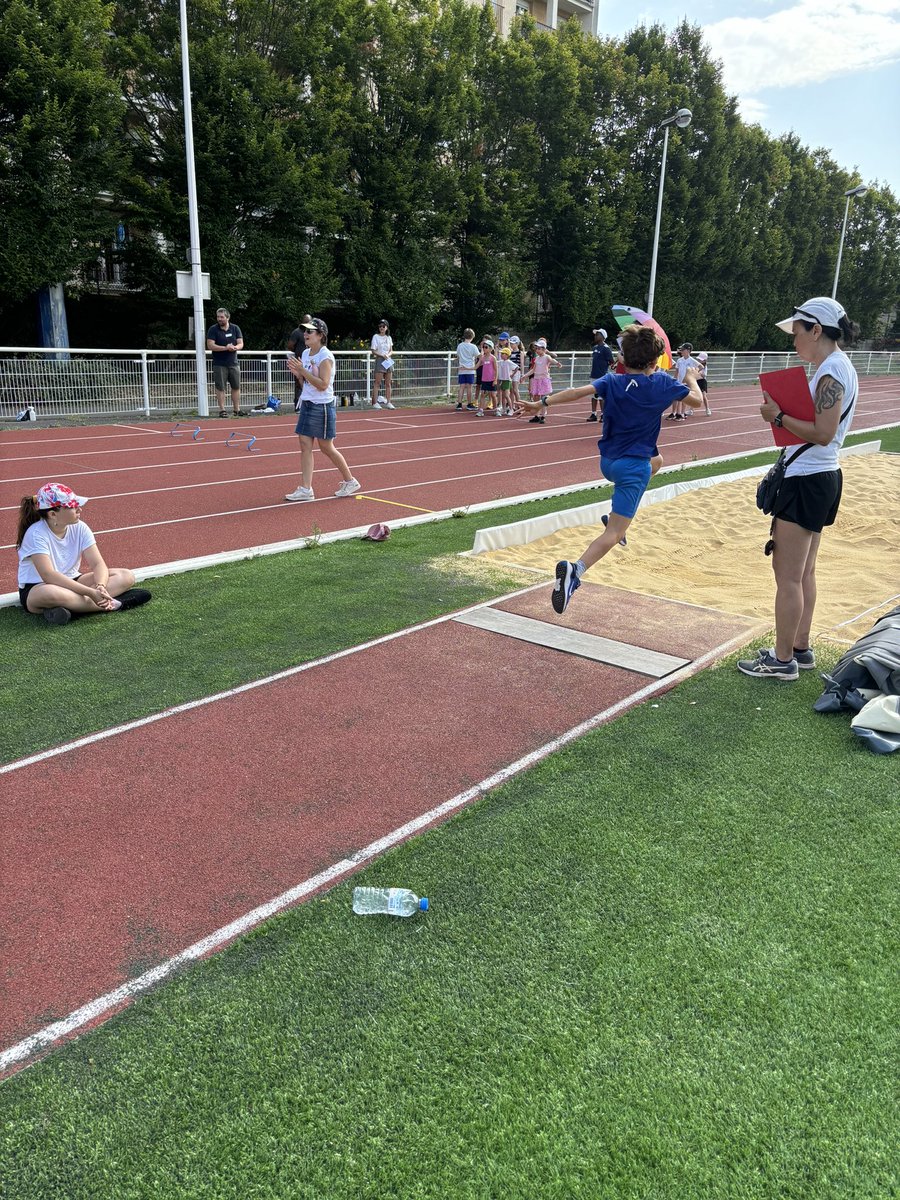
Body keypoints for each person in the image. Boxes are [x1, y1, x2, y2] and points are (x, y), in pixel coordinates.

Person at [516, 323, 701, 614]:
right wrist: (690, 376)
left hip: (609, 463)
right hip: (633, 469)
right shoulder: (664, 384)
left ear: (623, 359)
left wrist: (540, 404)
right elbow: (697, 401)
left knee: (659, 461)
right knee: (614, 534)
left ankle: (613, 516)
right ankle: (575, 571)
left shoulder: (612, 381)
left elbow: (577, 392)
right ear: (655, 362)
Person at [737, 297, 859, 681]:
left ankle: (783, 659)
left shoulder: (830, 372)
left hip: (808, 478)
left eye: (797, 332)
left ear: (816, 330)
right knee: (804, 571)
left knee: (787, 575)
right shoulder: (837, 367)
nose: (794, 341)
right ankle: (799, 648)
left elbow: (823, 434)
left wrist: (778, 416)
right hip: (821, 477)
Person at [16, 482, 151, 625]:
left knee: (126, 575)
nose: (79, 509)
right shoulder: (35, 534)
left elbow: (98, 564)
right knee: (50, 593)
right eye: (72, 506)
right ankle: (118, 603)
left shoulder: (80, 527)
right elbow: (49, 575)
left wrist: (100, 586)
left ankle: (72, 609)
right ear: (53, 514)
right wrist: (90, 592)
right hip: (39, 587)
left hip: (74, 580)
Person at [284, 318, 361, 502]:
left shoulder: (325, 357)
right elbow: (307, 384)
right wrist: (299, 375)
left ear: (320, 335)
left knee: (326, 447)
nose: (305, 334)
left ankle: (350, 480)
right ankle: (306, 488)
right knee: (304, 444)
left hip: (323, 406)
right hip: (308, 403)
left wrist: (303, 371)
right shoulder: (304, 353)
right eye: (305, 331)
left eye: (310, 332)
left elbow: (323, 384)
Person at [206, 307, 245, 417]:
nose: (219, 319)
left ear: (227, 317)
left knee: (236, 386)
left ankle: (237, 409)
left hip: (233, 362)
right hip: (219, 363)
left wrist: (235, 347)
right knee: (220, 387)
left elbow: (241, 343)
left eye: (222, 317)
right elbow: (210, 345)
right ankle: (222, 410)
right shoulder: (213, 329)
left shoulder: (235, 328)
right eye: (218, 317)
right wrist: (225, 348)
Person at [521, 338, 562, 424]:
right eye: (537, 348)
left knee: (544, 399)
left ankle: (543, 416)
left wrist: (557, 363)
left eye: (539, 348)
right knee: (536, 398)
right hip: (536, 379)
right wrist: (525, 376)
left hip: (544, 379)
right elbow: (533, 370)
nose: (537, 350)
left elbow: (552, 360)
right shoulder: (536, 359)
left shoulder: (546, 357)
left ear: (544, 349)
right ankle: (536, 415)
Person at [586, 328, 615, 422]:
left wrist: (612, 365)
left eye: (597, 334)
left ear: (602, 337)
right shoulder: (594, 348)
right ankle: (593, 414)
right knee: (593, 396)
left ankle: (603, 414)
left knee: (601, 396)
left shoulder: (606, 349)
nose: (595, 336)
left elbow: (611, 361)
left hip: (602, 375)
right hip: (593, 374)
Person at [667, 342, 700, 420]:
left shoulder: (692, 360)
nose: (681, 351)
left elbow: (700, 366)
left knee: (685, 397)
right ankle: (676, 413)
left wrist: (694, 375)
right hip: (679, 381)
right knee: (677, 398)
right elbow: (677, 371)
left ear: (688, 350)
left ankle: (682, 413)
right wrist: (674, 380)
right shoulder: (679, 360)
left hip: (687, 381)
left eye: (683, 349)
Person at [287, 314, 313, 410]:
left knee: (309, 381)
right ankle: (298, 404)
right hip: (300, 360)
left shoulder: (312, 333)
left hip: (310, 360)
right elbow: (290, 345)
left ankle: (308, 403)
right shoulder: (297, 332)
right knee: (299, 382)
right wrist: (298, 351)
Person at [370, 320, 395, 409]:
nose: (381, 328)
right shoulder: (375, 337)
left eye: (383, 326)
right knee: (377, 382)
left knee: (388, 383)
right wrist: (382, 355)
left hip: (388, 359)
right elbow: (373, 350)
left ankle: (388, 402)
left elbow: (391, 350)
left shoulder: (389, 337)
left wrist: (388, 355)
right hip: (380, 359)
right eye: (380, 326)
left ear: (386, 328)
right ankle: (375, 402)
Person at [454, 328, 478, 410]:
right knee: (469, 387)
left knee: (461, 387)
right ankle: (469, 403)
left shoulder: (460, 345)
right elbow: (478, 356)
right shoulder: (473, 346)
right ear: (472, 336)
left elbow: (458, 355)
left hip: (461, 369)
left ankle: (459, 404)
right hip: (470, 369)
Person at [475, 339, 498, 417]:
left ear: (491, 349)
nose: (484, 349)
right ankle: (481, 410)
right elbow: (476, 367)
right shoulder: (482, 358)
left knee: (493, 395)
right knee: (482, 395)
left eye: (486, 347)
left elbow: (496, 370)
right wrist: (465, 368)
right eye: (483, 347)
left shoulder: (493, 358)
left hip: (492, 379)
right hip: (484, 379)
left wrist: (495, 379)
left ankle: (496, 409)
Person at [495, 332, 514, 415]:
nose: (501, 341)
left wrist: (509, 343)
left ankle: (510, 407)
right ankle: (501, 406)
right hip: (499, 371)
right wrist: (496, 350)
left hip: (506, 373)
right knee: (499, 390)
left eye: (503, 340)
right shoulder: (498, 348)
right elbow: (496, 359)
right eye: (500, 340)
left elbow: (510, 351)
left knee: (507, 392)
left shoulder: (508, 350)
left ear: (507, 340)